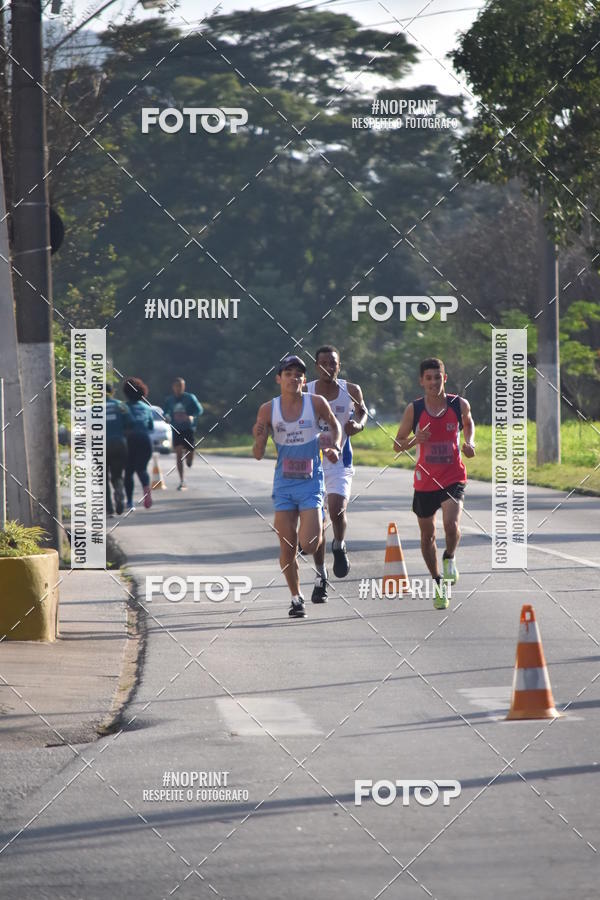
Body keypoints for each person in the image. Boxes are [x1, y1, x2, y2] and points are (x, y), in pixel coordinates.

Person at [252, 355, 342, 618]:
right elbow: (258, 454)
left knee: (310, 543)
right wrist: (259, 439)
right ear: (279, 379)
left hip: (311, 482)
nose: (294, 377)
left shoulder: (316, 403)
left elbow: (334, 427)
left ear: (305, 379)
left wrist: (333, 445)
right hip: (283, 485)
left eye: (299, 374)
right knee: (287, 545)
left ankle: (319, 563)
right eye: (288, 373)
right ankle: (296, 598)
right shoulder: (268, 409)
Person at [393, 357, 475, 610]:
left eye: (437, 377)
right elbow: (397, 445)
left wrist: (470, 443)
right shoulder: (414, 409)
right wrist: (415, 439)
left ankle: (449, 556)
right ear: (421, 381)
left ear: (444, 378)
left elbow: (468, 423)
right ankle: (438, 581)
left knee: (451, 524)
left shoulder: (458, 404)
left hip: (452, 475)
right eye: (428, 378)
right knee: (428, 534)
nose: (433, 382)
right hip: (425, 480)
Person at [305, 345, 367, 602]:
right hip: (311, 464)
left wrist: (358, 425)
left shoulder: (350, 390)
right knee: (317, 525)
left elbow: (362, 412)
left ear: (339, 365)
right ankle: (320, 577)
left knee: (337, 510)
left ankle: (339, 545)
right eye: (323, 363)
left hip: (340, 460)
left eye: (333, 363)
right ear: (316, 366)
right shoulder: (305, 391)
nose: (328, 368)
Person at [163, 377, 204, 490]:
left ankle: (190, 459)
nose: (179, 388)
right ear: (173, 387)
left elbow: (199, 410)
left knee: (190, 454)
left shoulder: (190, 398)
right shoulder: (169, 400)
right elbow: (165, 412)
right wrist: (166, 417)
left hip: (188, 429)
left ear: (184, 386)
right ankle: (182, 480)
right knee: (178, 454)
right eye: (177, 386)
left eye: (181, 386)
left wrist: (191, 416)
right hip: (176, 429)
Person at [122, 376, 154, 511]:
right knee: (142, 469)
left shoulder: (123, 407)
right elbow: (151, 427)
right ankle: (147, 491)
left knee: (128, 471)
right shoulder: (147, 408)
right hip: (145, 441)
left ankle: (129, 502)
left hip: (130, 441)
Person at [105, 383, 133, 517]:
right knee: (117, 474)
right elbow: (131, 423)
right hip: (119, 444)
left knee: (103, 478)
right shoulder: (121, 405)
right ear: (113, 392)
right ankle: (119, 488)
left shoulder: (93, 408)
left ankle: (109, 509)